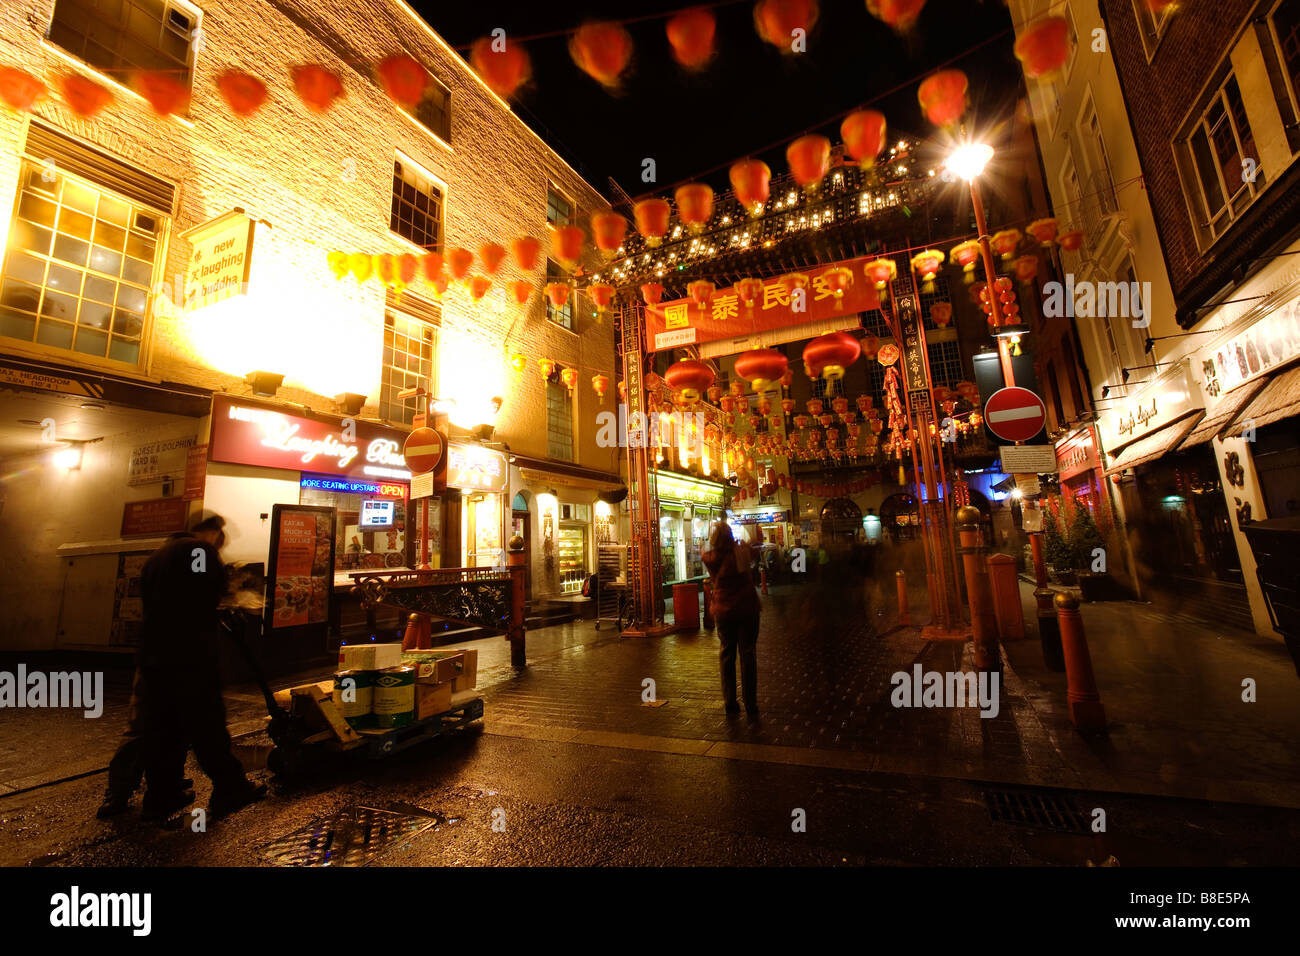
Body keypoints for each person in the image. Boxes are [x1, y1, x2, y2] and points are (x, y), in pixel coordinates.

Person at [134, 514, 266, 821]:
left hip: (155, 655)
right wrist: (231, 596)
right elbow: (205, 591)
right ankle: (230, 788)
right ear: (212, 533)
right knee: (207, 724)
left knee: (163, 728)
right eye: (221, 539)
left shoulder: (158, 556)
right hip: (189, 655)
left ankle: (161, 797)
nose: (221, 545)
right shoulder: (197, 551)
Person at [702, 522, 761, 720]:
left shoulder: (710, 558)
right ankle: (750, 702)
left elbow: (705, 553)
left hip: (723, 611)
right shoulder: (739, 553)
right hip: (746, 609)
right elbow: (754, 553)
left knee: (727, 653)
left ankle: (730, 701)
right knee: (748, 654)